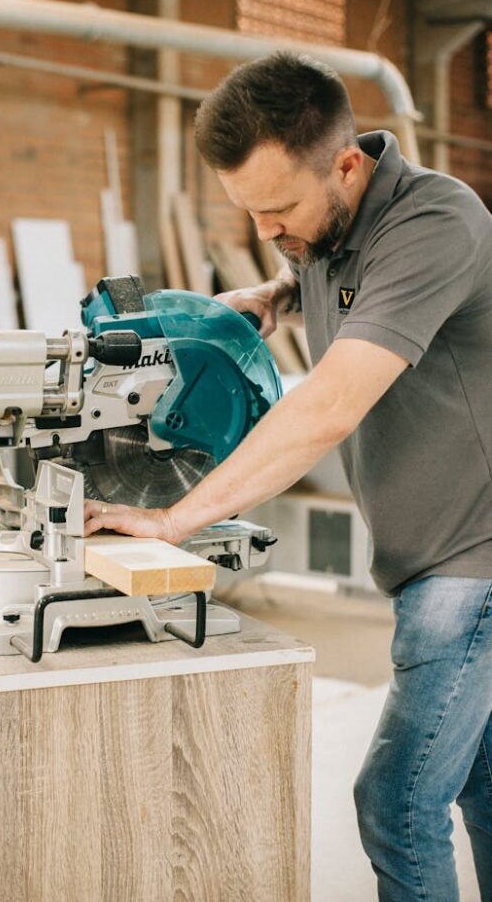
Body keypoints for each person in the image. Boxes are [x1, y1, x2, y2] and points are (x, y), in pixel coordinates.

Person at [84, 53, 492, 900]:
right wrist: (273, 296)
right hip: (433, 556)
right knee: (481, 788)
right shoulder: (327, 227)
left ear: (346, 163)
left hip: (473, 561)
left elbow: (328, 407)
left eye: (277, 210)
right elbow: (317, 273)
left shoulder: (434, 221)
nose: (268, 229)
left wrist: (172, 522)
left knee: (395, 803)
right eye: (249, 214)